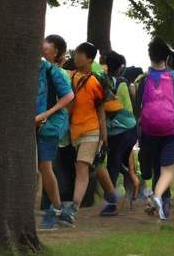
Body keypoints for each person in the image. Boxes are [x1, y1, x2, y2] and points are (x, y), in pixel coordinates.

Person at [134, 38, 174, 220]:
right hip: (171, 129)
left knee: (158, 165)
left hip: (150, 130)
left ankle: (160, 206)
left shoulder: (143, 79)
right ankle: (160, 201)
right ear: (167, 56)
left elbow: (138, 107)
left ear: (150, 56)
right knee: (167, 168)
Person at [66, 42, 120, 220]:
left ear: (89, 59)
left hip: (91, 130)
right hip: (76, 131)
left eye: (80, 54)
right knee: (96, 167)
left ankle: (73, 209)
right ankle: (112, 198)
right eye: (75, 54)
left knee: (82, 167)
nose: (76, 57)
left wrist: (103, 135)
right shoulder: (73, 78)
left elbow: (102, 108)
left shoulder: (96, 80)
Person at [37, 35, 74, 229]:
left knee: (45, 166)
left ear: (56, 51)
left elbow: (68, 96)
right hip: (37, 124)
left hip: (51, 126)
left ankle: (58, 210)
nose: (43, 47)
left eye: (47, 45)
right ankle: (57, 210)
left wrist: (45, 114)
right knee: (43, 167)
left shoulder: (56, 73)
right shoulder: (39, 69)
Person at [100, 51, 140, 207]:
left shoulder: (105, 81)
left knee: (114, 164)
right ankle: (130, 193)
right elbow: (129, 107)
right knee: (122, 164)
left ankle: (111, 204)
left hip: (119, 131)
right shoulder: (121, 82)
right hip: (129, 129)